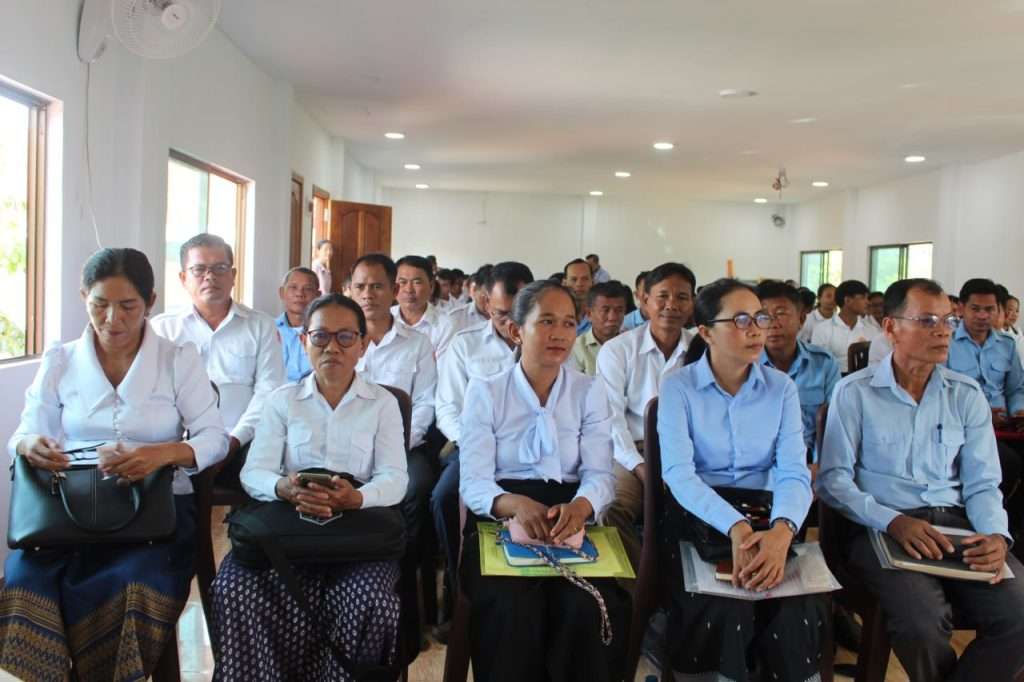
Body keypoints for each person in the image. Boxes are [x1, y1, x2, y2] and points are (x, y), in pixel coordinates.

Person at [0, 248, 228, 681]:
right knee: (25, 576)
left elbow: (213, 439)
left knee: (131, 586)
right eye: (99, 305)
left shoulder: (176, 359)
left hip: (154, 520)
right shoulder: (61, 360)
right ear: (84, 297)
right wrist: (32, 445)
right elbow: (23, 434)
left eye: (128, 307)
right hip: (69, 515)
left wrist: (160, 454)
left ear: (151, 302)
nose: (112, 320)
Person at [817, 278, 1024, 682]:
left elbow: (983, 483)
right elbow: (834, 481)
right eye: (927, 320)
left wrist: (996, 535)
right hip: (883, 528)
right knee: (922, 623)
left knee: (1019, 614)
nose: (943, 331)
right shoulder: (855, 393)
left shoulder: (966, 395)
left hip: (958, 527)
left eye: (948, 320)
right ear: (891, 327)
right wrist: (894, 521)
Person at [211, 294, 408, 681]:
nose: (332, 347)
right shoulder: (282, 401)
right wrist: (283, 487)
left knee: (372, 598)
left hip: (357, 534)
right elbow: (254, 472)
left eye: (345, 337)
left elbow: (395, 478)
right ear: (304, 342)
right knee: (234, 586)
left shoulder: (382, 403)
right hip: (291, 529)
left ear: (363, 345)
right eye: (320, 336)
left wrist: (357, 497)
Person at [459, 279, 626, 682]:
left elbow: (600, 474)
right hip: (502, 514)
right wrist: (513, 503)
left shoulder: (589, 390)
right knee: (514, 609)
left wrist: (582, 506)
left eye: (568, 323)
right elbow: (474, 482)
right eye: (546, 321)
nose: (560, 334)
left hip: (570, 512)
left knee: (589, 606)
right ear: (516, 330)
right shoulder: (486, 391)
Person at [659, 278, 823, 682]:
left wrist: (783, 530)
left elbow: (793, 470)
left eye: (759, 318)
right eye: (741, 320)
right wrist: (735, 526)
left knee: (793, 603)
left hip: (767, 513)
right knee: (725, 602)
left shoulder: (781, 388)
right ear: (705, 332)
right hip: (699, 512)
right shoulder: (679, 387)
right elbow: (679, 474)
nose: (756, 329)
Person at [431, 261, 533, 623]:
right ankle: (456, 588)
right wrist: (478, 445)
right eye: (503, 313)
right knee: (445, 497)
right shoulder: (466, 345)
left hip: (530, 451)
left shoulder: (544, 344)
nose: (511, 323)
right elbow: (447, 408)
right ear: (488, 304)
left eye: (520, 314)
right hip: (474, 447)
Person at [151, 233, 284, 485]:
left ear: (233, 275)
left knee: (264, 475)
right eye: (199, 269)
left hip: (243, 442)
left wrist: (234, 440)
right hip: (178, 445)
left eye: (220, 268)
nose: (210, 276)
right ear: (183, 278)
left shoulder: (261, 326)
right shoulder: (162, 329)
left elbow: (269, 391)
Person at [596, 262, 696, 570]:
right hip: (631, 449)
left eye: (682, 297)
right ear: (644, 301)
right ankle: (643, 584)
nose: (671, 305)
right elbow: (611, 420)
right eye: (662, 296)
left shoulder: (702, 351)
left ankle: (685, 581)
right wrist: (640, 467)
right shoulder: (618, 350)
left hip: (689, 453)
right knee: (610, 508)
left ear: (692, 303)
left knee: (699, 506)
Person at [348, 254, 437, 548]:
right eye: (360, 287)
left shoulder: (417, 343)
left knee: (416, 487)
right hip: (346, 443)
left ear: (394, 291)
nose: (367, 295)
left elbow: (425, 402)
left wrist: (396, 445)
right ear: (350, 290)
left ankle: (404, 563)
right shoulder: (342, 340)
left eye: (377, 286)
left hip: (403, 446)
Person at [946, 278, 1024, 531]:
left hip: (1005, 425)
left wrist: (1018, 412)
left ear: (998, 310)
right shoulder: (946, 343)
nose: (982, 315)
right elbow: (941, 393)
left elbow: (1015, 389)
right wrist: (982, 414)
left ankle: (1014, 527)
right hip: (965, 426)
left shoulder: (1007, 345)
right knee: (1008, 462)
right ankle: (988, 524)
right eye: (975, 309)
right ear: (961, 308)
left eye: (989, 309)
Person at [757, 280, 840, 463]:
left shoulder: (824, 364)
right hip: (759, 465)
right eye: (763, 316)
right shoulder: (746, 365)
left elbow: (833, 423)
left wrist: (818, 464)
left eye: (780, 314)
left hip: (808, 461)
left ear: (801, 319)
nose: (772, 324)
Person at [811, 279, 880, 373]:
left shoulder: (872, 330)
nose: (868, 302)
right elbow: (818, 364)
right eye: (863, 297)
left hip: (863, 378)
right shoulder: (822, 330)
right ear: (847, 300)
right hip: (833, 379)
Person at [393, 255, 456, 357]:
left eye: (417, 282)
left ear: (431, 286)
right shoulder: (382, 319)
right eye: (402, 282)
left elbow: (444, 366)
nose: (409, 290)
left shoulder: (446, 326)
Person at [571, 281, 628, 375]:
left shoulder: (632, 344)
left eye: (619, 310)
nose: (612, 317)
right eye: (605, 310)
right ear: (589, 314)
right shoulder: (576, 349)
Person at [276, 266, 320, 382]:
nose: (300, 293)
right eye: (293, 287)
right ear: (282, 293)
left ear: (318, 295)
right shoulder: (269, 331)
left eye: (308, 289)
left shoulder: (325, 333)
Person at [448, 265, 492, 332]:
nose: (490, 302)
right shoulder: (455, 317)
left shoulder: (505, 317)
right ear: (474, 290)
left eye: (493, 297)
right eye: (485, 296)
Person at [565, 258, 595, 334]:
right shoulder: (555, 314)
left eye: (585, 279)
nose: (579, 284)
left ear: (593, 282)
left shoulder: (600, 316)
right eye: (574, 279)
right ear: (564, 283)